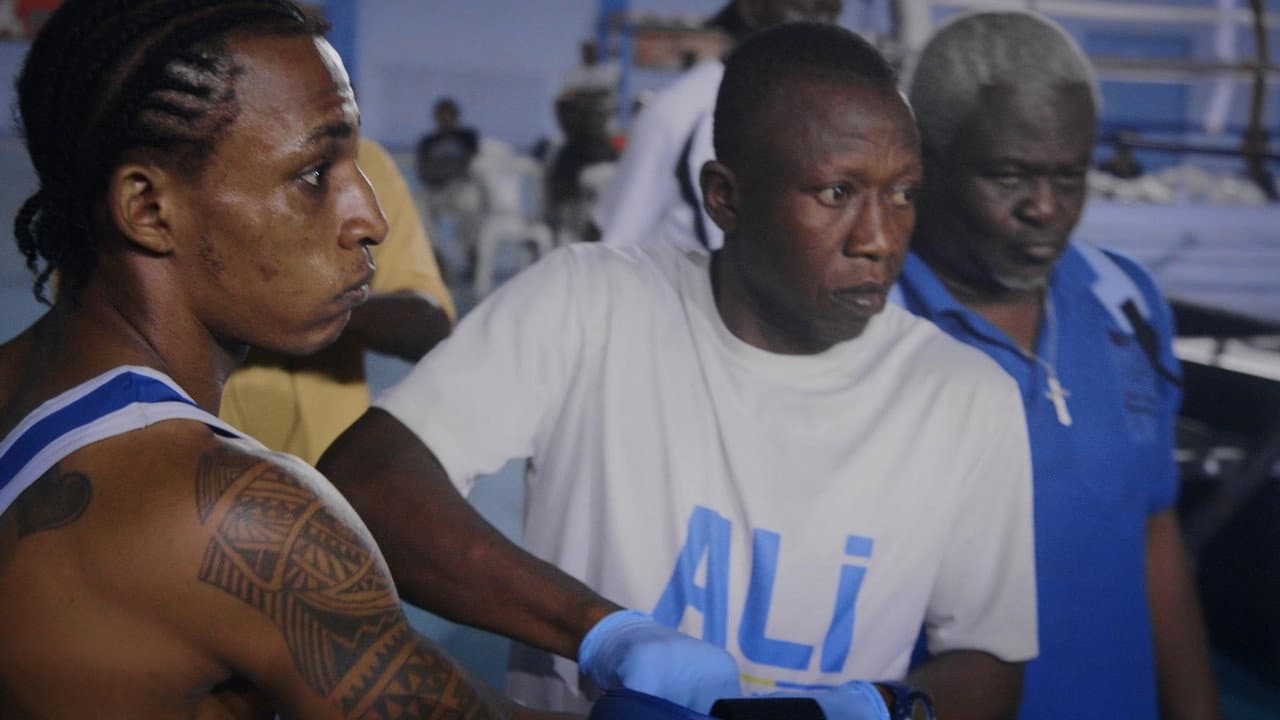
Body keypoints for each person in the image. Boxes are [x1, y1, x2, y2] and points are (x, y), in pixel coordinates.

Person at [321, 22, 1038, 719]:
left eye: (903, 193)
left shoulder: (964, 396)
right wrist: (601, 632)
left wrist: (880, 709)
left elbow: (987, 663)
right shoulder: (592, 304)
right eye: (836, 193)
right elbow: (370, 480)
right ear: (724, 196)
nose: (879, 238)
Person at [0, 2, 576, 718]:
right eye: (312, 174)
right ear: (148, 209)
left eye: (354, 165)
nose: (370, 217)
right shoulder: (236, 521)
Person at [897, 11, 1222, 720]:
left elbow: (1152, 530)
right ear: (925, 158)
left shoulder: (1125, 302)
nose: (1045, 208)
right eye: (1009, 175)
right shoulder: (871, 326)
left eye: (1069, 176)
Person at [221, 136, 455, 464]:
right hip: (200, 462)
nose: (372, 223)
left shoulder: (364, 158)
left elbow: (430, 322)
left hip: (328, 469)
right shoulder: (200, 163)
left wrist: (309, 301)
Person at [592, 0, 843, 252]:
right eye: (806, 7)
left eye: (832, 12)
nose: (822, 26)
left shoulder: (827, 116)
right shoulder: (680, 110)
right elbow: (614, 247)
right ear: (752, 9)